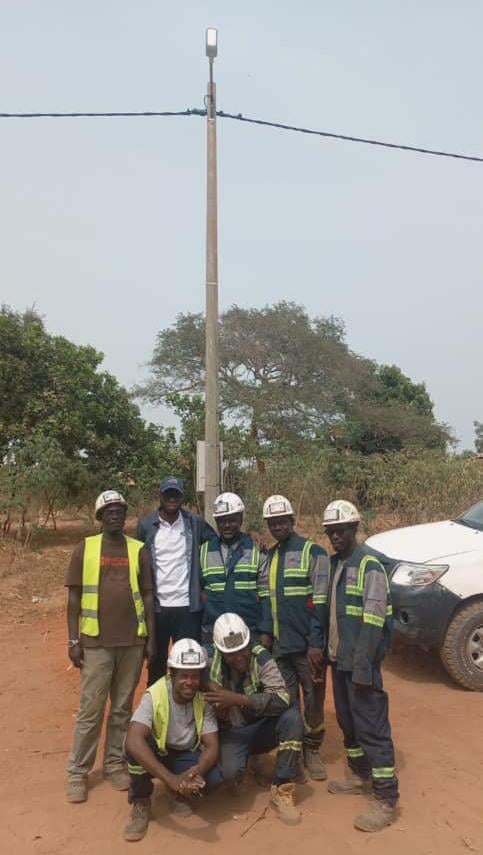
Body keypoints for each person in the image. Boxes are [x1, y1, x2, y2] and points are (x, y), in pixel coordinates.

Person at [65, 490, 155, 804]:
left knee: (121, 710)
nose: (115, 515)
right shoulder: (85, 548)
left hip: (131, 642)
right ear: (100, 517)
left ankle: (115, 763)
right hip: (96, 643)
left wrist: (151, 640)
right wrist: (73, 640)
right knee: (91, 710)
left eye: (120, 510)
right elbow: (74, 598)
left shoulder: (138, 549)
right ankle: (78, 772)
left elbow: (147, 596)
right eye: (109, 511)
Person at [322, 499, 399, 832]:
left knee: (372, 727)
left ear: (354, 529)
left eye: (340, 531)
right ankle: (357, 773)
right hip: (340, 660)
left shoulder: (370, 565)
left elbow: (373, 619)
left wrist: (364, 666)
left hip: (360, 664)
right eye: (330, 532)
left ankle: (385, 799)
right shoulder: (336, 563)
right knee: (347, 721)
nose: (335, 537)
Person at [204, 613, 304, 825]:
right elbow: (184, 671)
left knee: (292, 718)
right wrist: (214, 691)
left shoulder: (261, 657)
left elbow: (283, 698)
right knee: (230, 776)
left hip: (260, 727)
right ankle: (244, 761)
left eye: (242, 650)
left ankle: (282, 786)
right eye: (231, 654)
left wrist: (237, 699)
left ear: (249, 642)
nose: (239, 657)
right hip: (232, 732)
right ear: (220, 651)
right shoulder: (210, 658)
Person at [257, 494, 329, 781]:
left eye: (281, 521)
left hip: (307, 648)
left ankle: (313, 750)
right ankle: (295, 753)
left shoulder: (314, 553)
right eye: (272, 523)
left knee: (313, 700)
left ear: (291, 521)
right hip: (280, 647)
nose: (277, 527)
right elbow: (265, 600)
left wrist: (315, 643)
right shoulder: (269, 557)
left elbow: (320, 602)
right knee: (288, 703)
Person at [123, 639, 221, 842]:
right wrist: (171, 779)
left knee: (214, 777)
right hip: (159, 751)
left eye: (195, 676)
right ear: (171, 674)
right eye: (183, 675)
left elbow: (212, 745)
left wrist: (196, 772)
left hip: (184, 755)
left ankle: (178, 793)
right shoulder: (156, 694)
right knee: (134, 749)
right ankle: (141, 801)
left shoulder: (203, 697)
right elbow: (133, 739)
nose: (190, 682)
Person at [137, 476, 215, 684]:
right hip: (157, 609)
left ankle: (187, 711)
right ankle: (157, 712)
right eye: (168, 494)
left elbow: (217, 540)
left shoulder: (194, 522)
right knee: (156, 664)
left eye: (176, 494)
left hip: (187, 608)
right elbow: (137, 559)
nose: (172, 498)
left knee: (188, 664)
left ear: (182, 497)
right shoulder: (146, 525)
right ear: (160, 496)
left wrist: (248, 537)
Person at [200, 492, 265, 644]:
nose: (227, 525)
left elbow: (266, 595)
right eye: (222, 521)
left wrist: (266, 630)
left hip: (248, 629)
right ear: (216, 521)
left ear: (241, 519)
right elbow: (199, 591)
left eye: (232, 520)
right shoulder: (204, 550)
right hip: (213, 630)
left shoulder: (256, 549)